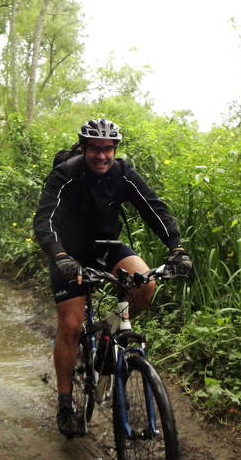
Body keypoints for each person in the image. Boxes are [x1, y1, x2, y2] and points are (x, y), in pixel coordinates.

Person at [33, 118, 192, 438]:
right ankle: (65, 403)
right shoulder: (66, 173)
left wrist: (176, 247)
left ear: (115, 149)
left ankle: (107, 335)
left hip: (107, 247)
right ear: (84, 148)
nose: (102, 156)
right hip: (69, 252)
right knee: (71, 324)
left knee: (146, 284)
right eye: (95, 148)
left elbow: (154, 209)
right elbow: (44, 221)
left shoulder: (123, 173)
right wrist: (60, 256)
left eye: (108, 149)